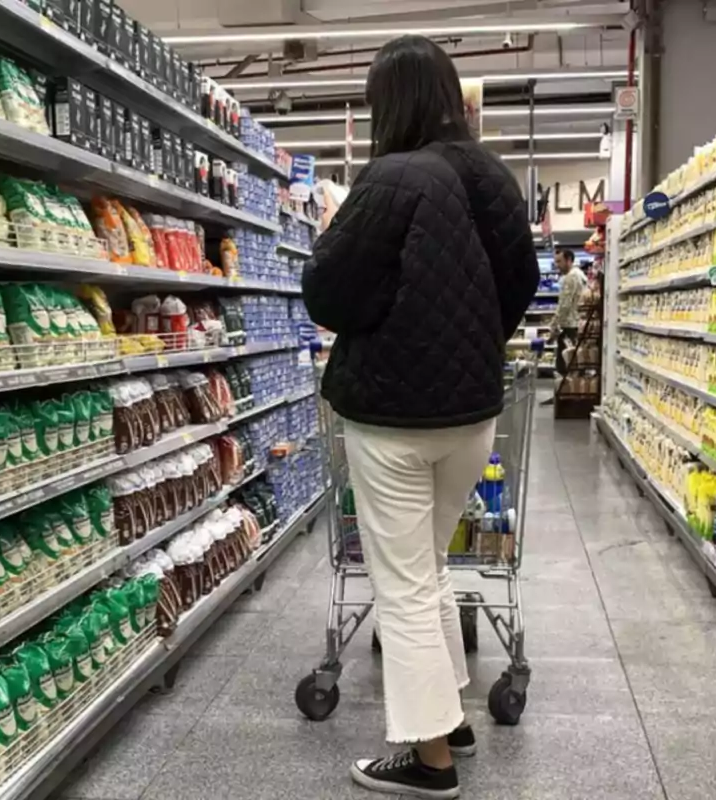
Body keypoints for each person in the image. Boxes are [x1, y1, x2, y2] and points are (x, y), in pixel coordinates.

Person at [302, 34, 540, 800]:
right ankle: (454, 722)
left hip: (392, 418)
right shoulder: (493, 178)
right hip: (471, 416)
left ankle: (428, 762)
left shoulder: (390, 180)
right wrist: (466, 344)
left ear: (388, 103)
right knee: (429, 567)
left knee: (401, 583)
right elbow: (521, 280)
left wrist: (389, 323)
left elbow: (329, 293)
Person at [549, 248, 588, 382]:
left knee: (564, 364)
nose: (557, 265)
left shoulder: (571, 277)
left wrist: (554, 327)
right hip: (578, 324)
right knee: (575, 363)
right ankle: (574, 392)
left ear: (569, 260)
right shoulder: (581, 275)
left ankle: (563, 395)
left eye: (559, 261)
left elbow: (564, 305)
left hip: (569, 326)